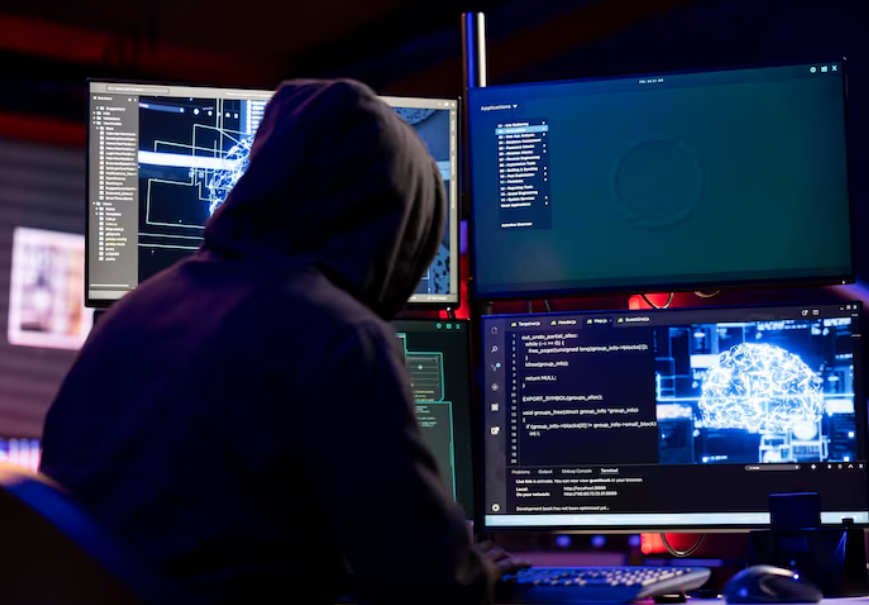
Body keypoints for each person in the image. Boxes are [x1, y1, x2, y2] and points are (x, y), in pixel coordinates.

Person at [40, 79, 527, 605]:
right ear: (394, 230)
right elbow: (432, 586)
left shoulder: (137, 308)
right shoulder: (340, 334)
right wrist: (478, 572)